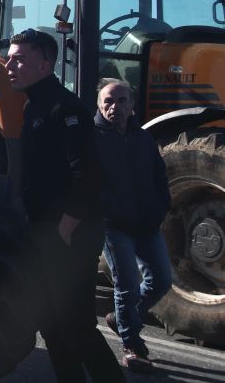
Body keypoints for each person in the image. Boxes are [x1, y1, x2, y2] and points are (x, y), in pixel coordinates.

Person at [3, 29, 125, 383]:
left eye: (19, 59)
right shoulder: (34, 105)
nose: (9, 64)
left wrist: (63, 231)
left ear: (44, 64)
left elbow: (86, 175)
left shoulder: (64, 107)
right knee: (52, 326)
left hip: (68, 235)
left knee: (77, 327)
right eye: (10, 57)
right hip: (43, 232)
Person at [95, 79, 172, 371]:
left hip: (146, 223)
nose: (116, 107)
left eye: (122, 100)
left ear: (132, 105)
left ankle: (121, 318)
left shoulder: (143, 139)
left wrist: (161, 207)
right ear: (99, 106)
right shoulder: (93, 138)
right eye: (109, 102)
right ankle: (131, 345)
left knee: (161, 281)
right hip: (114, 225)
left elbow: (159, 177)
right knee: (126, 285)